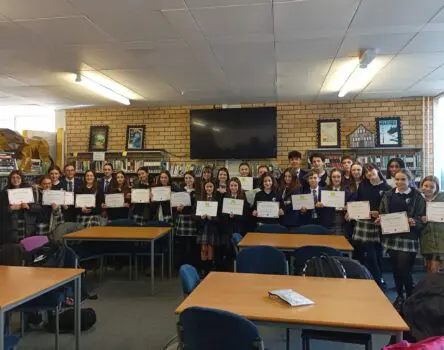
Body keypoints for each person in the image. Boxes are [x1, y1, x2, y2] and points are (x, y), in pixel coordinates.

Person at [379, 169, 425, 308]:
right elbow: (383, 211)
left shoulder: (417, 196)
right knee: (395, 269)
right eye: (397, 179)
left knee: (404, 268)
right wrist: (381, 219)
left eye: (403, 179)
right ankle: (399, 296)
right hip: (392, 236)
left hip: (408, 237)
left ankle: (410, 297)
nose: (399, 182)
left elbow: (421, 216)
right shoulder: (388, 194)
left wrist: (414, 221)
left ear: (410, 180)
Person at [352, 163, 391, 291]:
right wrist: (351, 211)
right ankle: (378, 279)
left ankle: (378, 278)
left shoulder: (386, 187)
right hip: (365, 223)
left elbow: (390, 208)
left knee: (378, 253)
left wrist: (379, 213)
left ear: (377, 170)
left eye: (371, 170)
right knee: (370, 253)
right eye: (366, 172)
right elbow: (358, 201)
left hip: (380, 223)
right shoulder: (363, 185)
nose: (369, 173)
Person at [219, 177, 249, 270]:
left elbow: (246, 216)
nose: (233, 187)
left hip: (239, 228)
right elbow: (221, 214)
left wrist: (235, 216)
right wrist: (228, 216)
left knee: (238, 249)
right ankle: (229, 268)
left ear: (239, 186)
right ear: (228, 187)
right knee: (227, 248)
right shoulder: (225, 198)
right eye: (231, 185)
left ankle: (239, 268)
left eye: (235, 185)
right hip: (227, 228)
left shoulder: (243, 198)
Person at [420, 176, 444, 274]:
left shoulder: (442, 198)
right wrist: (420, 218)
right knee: (430, 269)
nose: (428, 189)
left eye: (432, 187)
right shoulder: (419, 200)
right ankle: (432, 288)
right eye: (426, 186)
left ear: (436, 188)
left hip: (441, 237)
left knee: (437, 270)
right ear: (422, 186)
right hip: (427, 238)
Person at [196, 181, 220, 276]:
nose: (209, 188)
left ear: (213, 188)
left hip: (212, 226)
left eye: (211, 186)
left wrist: (212, 217)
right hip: (202, 226)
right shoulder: (200, 199)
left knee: (210, 247)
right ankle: (203, 268)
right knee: (203, 248)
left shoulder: (217, 199)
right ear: (204, 188)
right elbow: (193, 215)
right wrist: (200, 217)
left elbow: (220, 216)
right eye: (207, 186)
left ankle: (209, 269)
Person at [174, 171, 198, 268]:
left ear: (194, 179)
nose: (188, 180)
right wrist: (177, 209)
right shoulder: (180, 191)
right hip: (182, 218)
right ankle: (182, 265)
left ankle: (193, 264)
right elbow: (175, 205)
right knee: (182, 243)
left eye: (190, 178)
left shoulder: (197, 191)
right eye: (186, 178)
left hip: (193, 219)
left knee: (193, 243)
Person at [321, 168, 348, 235]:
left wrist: (347, 207)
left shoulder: (347, 190)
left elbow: (351, 204)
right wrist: (320, 204)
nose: (336, 179)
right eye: (334, 177)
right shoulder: (324, 190)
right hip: (328, 223)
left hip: (343, 223)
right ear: (330, 178)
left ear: (342, 177)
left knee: (341, 243)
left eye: (338, 177)